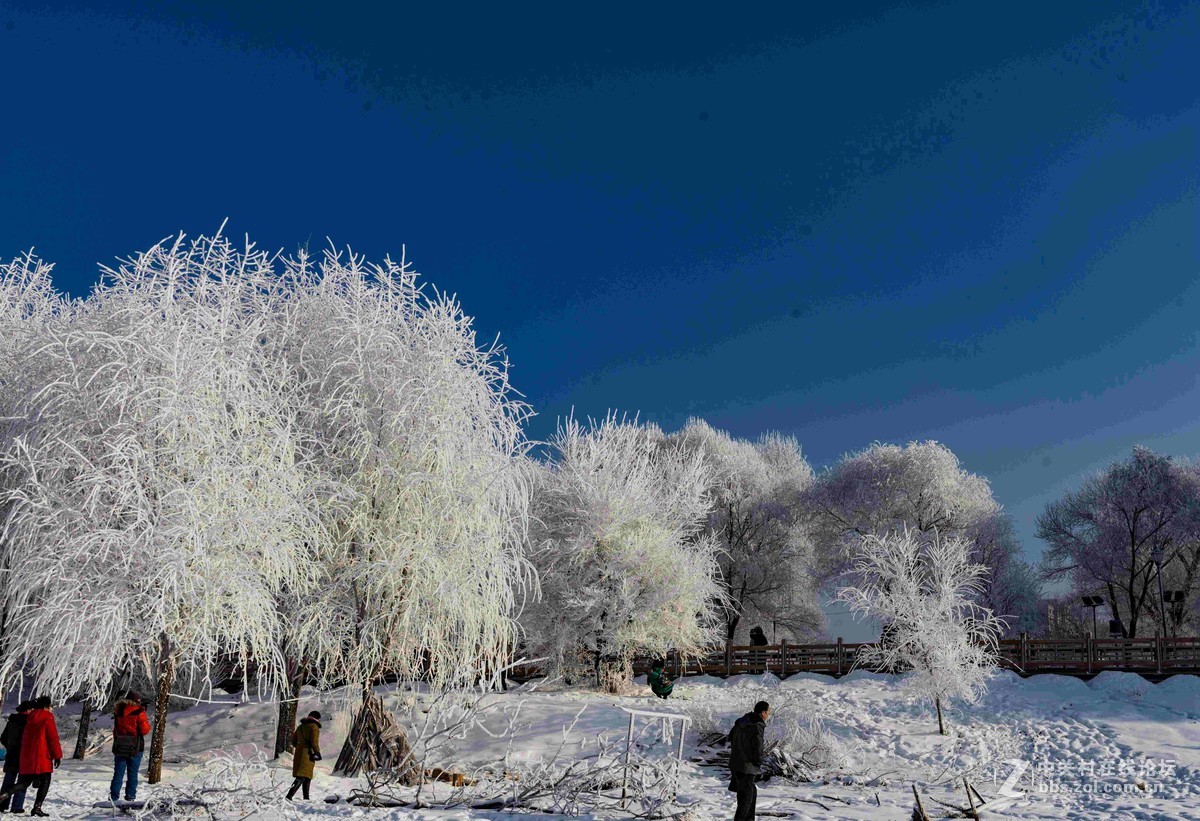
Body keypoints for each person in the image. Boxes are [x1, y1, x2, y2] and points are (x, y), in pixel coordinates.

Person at [0, 696, 62, 817]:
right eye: (50, 707)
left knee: (21, 781)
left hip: (24, 754)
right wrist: (57, 755)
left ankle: (4, 796)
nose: (51, 709)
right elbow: (52, 738)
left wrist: (11, 747)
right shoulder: (46, 718)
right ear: (45, 707)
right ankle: (31, 807)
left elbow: (6, 737)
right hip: (40, 755)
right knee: (44, 780)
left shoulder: (27, 718)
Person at [728, 700, 769, 821]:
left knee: (750, 794)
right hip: (746, 767)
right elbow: (758, 746)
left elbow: (730, 737)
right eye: (768, 712)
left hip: (736, 764)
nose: (768, 715)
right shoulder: (757, 725)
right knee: (745, 802)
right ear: (763, 713)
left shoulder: (742, 721)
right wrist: (758, 761)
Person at [110, 690, 152, 803]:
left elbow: (116, 729)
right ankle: (130, 798)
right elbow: (145, 730)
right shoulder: (139, 712)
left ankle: (113, 798)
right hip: (135, 747)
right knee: (132, 773)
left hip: (120, 746)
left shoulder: (118, 710)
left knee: (118, 774)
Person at [0, 702, 33, 814]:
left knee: (8, 779)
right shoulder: (29, 721)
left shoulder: (12, 720)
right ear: (28, 710)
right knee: (22, 781)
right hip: (24, 755)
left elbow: (3, 737)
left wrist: (10, 746)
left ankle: (2, 803)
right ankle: (17, 806)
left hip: (11, 754)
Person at [286, 711, 322, 800]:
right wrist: (317, 752)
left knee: (306, 776)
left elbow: (293, 741)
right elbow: (314, 742)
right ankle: (289, 796)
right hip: (308, 753)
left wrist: (300, 746)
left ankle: (306, 798)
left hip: (299, 753)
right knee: (302, 776)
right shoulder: (314, 727)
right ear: (317, 719)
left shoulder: (300, 727)